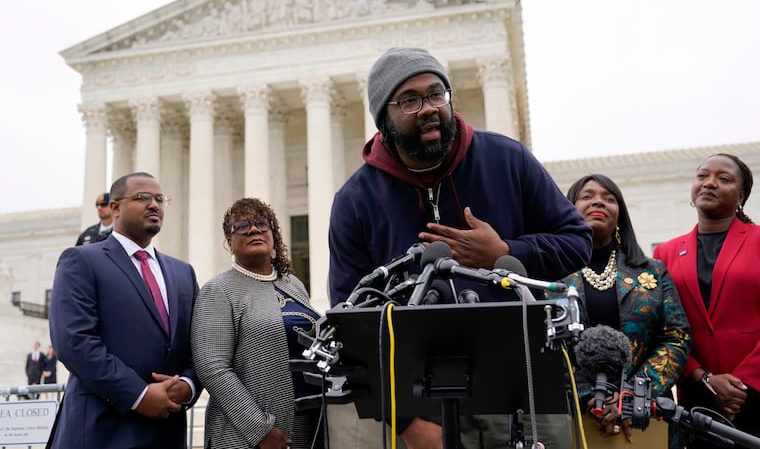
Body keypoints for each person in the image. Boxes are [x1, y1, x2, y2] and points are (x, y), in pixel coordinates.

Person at [327, 47, 593, 449]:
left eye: (437, 94)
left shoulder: (508, 159)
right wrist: (405, 423)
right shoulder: (355, 200)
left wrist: (505, 250)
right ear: (384, 118)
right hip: (423, 402)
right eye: (411, 100)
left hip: (525, 387)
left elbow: (577, 241)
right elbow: (352, 321)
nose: (429, 108)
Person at [48, 172, 202, 449]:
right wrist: (139, 395)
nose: (154, 204)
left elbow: (199, 343)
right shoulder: (82, 260)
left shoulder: (183, 273)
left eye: (159, 199)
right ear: (115, 208)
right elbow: (74, 341)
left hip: (166, 432)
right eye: (143, 197)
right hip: (101, 431)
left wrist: (189, 385)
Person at [561, 174, 690, 448]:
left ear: (619, 216)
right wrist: (589, 395)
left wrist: (631, 396)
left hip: (646, 418)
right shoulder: (549, 273)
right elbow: (541, 343)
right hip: (572, 418)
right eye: (587, 196)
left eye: (609, 198)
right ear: (568, 209)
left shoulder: (652, 272)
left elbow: (676, 338)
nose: (599, 201)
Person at [192, 197, 324, 449]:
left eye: (262, 224)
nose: (253, 229)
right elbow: (213, 368)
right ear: (230, 243)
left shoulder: (292, 285)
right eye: (242, 226)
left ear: (273, 235)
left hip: (308, 426)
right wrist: (260, 429)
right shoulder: (218, 290)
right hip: (249, 437)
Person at [653, 153, 760, 448]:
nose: (710, 183)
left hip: (756, 395)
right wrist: (703, 378)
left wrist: (741, 384)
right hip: (698, 402)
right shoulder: (665, 253)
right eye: (702, 176)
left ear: (741, 195)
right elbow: (664, 327)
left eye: (723, 179)